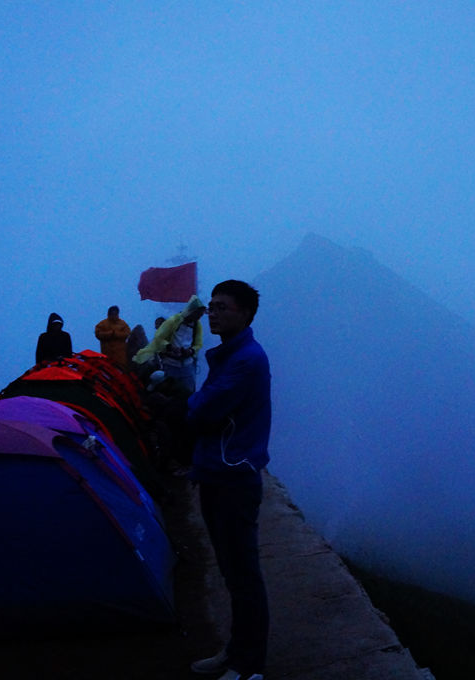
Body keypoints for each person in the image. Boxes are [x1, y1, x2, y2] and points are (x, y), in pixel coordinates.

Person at [187, 280, 270, 680]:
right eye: (212, 308)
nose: (214, 313)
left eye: (223, 308)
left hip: (234, 478)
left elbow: (202, 411)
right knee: (232, 573)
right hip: (216, 473)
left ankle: (250, 667)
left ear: (246, 314)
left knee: (243, 575)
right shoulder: (228, 356)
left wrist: (184, 403)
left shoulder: (246, 361)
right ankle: (235, 652)